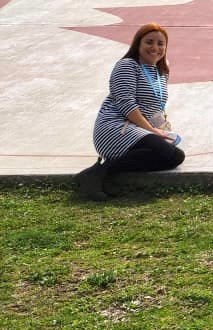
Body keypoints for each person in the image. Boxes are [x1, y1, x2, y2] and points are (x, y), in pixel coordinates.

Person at [75, 23, 186, 199]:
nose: (155, 47)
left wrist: (163, 130)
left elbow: (154, 107)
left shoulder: (161, 71)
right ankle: (97, 174)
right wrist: (153, 132)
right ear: (138, 44)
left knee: (175, 156)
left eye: (160, 43)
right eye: (149, 42)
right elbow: (126, 106)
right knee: (164, 152)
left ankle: (102, 172)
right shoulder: (127, 66)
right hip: (115, 128)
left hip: (139, 129)